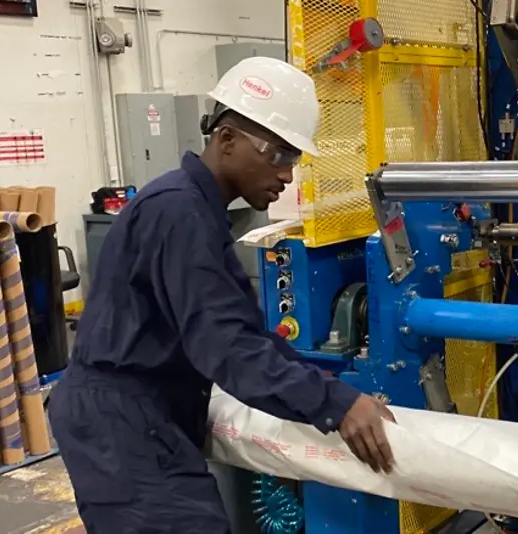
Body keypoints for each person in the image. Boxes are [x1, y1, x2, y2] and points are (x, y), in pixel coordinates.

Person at [48, 56, 396, 533]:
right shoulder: (178, 213)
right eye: (277, 155)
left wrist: (335, 392)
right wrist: (334, 404)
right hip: (124, 423)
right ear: (226, 139)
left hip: (143, 415)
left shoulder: (198, 212)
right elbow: (227, 348)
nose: (286, 176)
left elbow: (246, 332)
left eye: (293, 159)